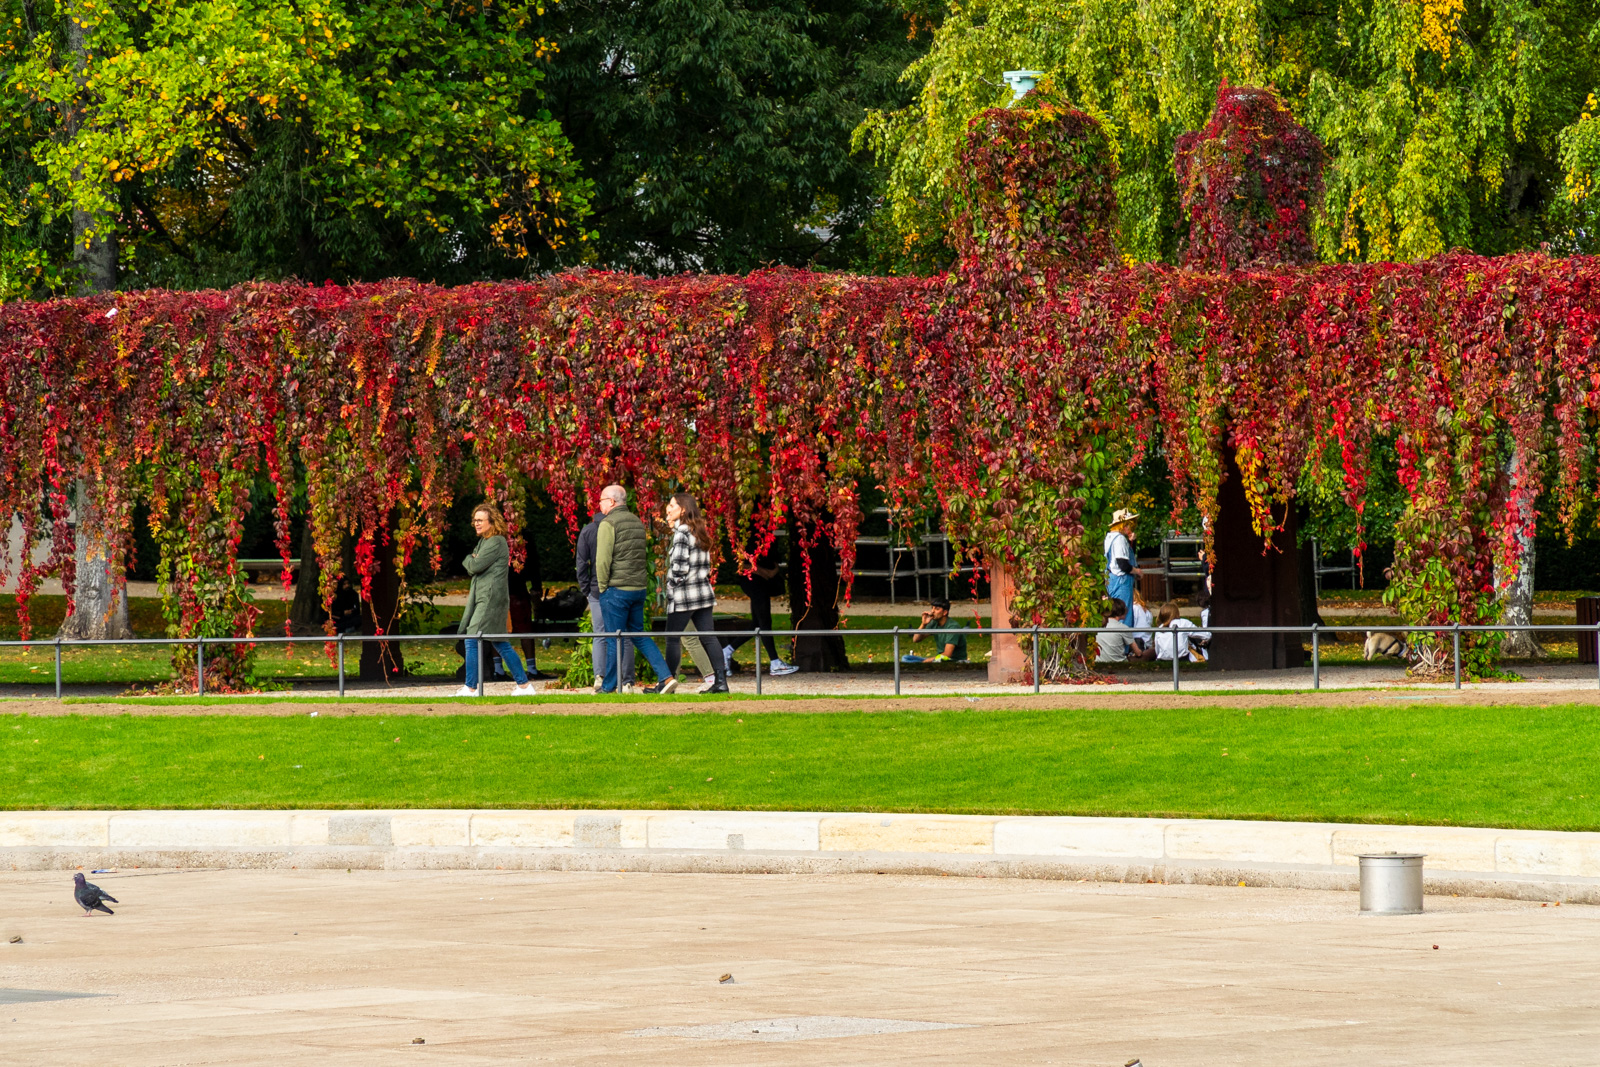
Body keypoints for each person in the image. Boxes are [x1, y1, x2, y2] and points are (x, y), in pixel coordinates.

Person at [594, 484, 678, 694]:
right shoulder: (637, 522)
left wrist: (603, 588)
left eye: (602, 500)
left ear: (612, 502)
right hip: (637, 589)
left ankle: (609, 687)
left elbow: (602, 561)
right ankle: (666, 678)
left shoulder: (608, 523)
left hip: (616, 589)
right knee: (639, 635)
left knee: (615, 638)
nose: (599, 504)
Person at [454, 504, 536, 697]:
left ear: (492, 522)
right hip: (487, 597)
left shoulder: (496, 542)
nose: (476, 523)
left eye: (480, 520)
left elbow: (474, 566)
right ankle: (524, 686)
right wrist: (472, 559)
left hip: (490, 598)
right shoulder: (485, 541)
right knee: (499, 642)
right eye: (475, 520)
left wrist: (469, 559)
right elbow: (474, 563)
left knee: (472, 637)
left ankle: (471, 687)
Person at [662, 493, 729, 694]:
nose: (668, 508)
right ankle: (720, 682)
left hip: (684, 596)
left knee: (672, 638)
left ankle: (667, 682)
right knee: (708, 637)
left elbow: (679, 568)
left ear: (682, 510)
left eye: (672, 505)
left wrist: (671, 584)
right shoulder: (698, 531)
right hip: (703, 592)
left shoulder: (682, 532)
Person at [720, 533, 798, 676]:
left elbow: (772, 563)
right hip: (754, 582)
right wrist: (764, 572)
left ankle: (727, 651)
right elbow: (742, 564)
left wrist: (769, 572)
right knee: (764, 621)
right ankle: (774, 662)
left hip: (760, 582)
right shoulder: (749, 536)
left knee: (757, 624)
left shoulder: (766, 537)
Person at [576, 501, 630, 693]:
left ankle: (600, 676)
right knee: (623, 634)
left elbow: (581, 563)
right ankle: (626, 679)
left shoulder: (588, 531)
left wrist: (587, 590)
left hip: (596, 590)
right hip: (619, 587)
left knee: (600, 634)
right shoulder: (621, 528)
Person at [904, 597, 968, 662]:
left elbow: (947, 654)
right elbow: (916, 639)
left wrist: (926, 661)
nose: (932, 611)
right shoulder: (934, 623)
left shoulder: (953, 627)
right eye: (932, 608)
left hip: (954, 661)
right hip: (939, 659)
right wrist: (923, 624)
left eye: (937, 609)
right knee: (906, 658)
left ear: (945, 612)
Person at [1104, 508, 1141, 617]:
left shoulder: (1109, 537)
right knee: (1123, 612)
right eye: (1129, 524)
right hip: (1121, 580)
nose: (1130, 528)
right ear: (1123, 525)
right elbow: (1123, 564)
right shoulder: (1120, 539)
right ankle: (1125, 633)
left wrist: (1131, 542)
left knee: (1114, 610)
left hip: (1111, 578)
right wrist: (1137, 571)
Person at [1096, 598, 1156, 664]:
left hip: (1099, 660)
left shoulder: (1099, 625)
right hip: (1119, 662)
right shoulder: (1123, 628)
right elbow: (1138, 653)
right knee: (1152, 652)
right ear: (1120, 611)